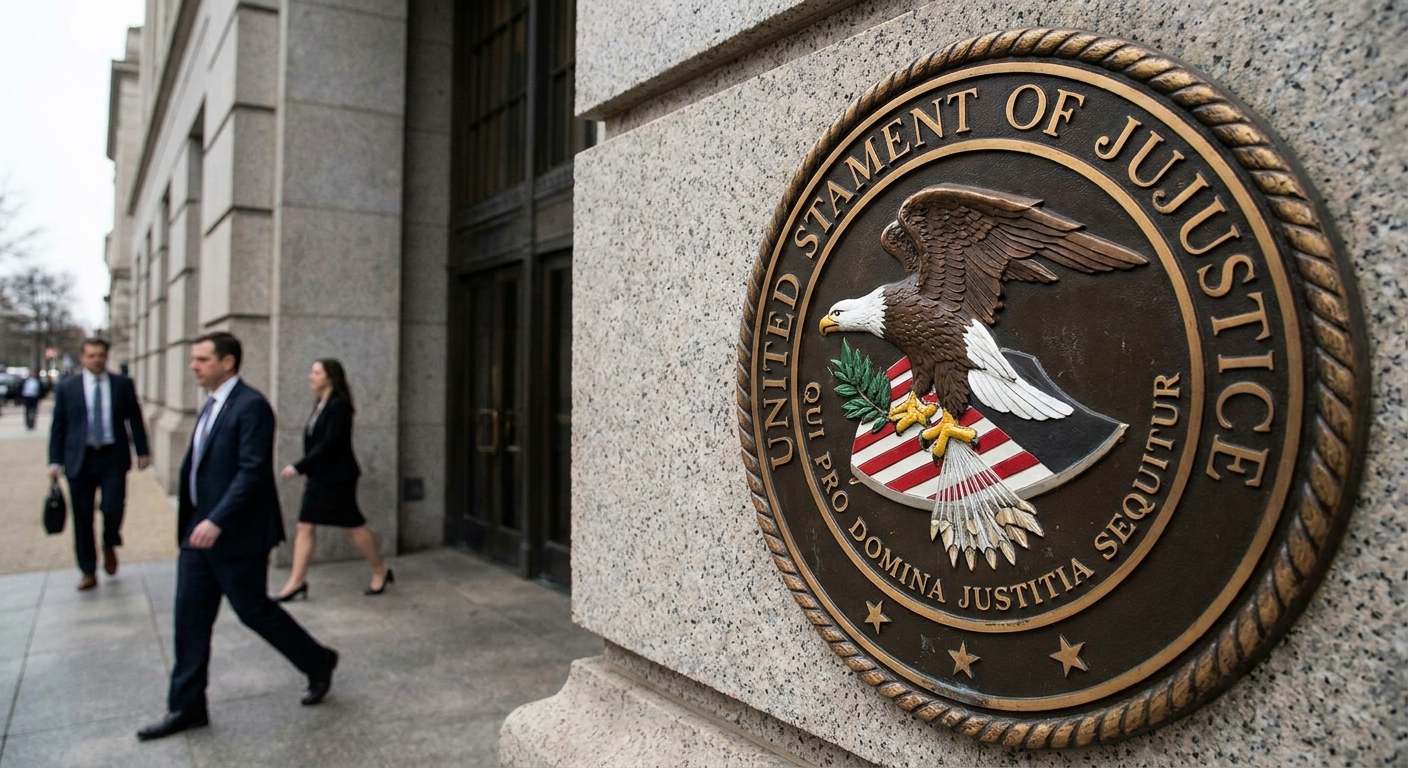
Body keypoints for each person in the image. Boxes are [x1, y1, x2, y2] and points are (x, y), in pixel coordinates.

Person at [137, 332, 339, 741]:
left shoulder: (252, 407)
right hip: (197, 534)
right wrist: (198, 521)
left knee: (253, 611)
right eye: (194, 359)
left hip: (235, 535)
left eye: (202, 359)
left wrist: (218, 520)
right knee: (189, 619)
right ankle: (187, 707)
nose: (194, 365)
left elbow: (251, 473)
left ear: (227, 362)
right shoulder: (210, 405)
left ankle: (318, 661)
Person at [275, 358, 392, 600]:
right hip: (320, 476)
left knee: (352, 527)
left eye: (316, 372)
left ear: (330, 377)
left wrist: (299, 466)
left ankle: (380, 569)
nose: (311, 376)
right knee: (304, 525)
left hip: (337, 478)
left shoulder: (339, 407)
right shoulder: (320, 405)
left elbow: (330, 444)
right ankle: (297, 582)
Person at [47, 339, 150, 590]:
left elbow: (134, 418)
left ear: (106, 357)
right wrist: (54, 460)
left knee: (113, 506)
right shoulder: (67, 387)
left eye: (101, 355)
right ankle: (88, 570)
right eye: (91, 355)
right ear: (82, 358)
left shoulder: (122, 385)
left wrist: (142, 450)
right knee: (82, 518)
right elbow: (58, 426)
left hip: (112, 456)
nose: (96, 360)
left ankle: (109, 541)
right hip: (79, 459)